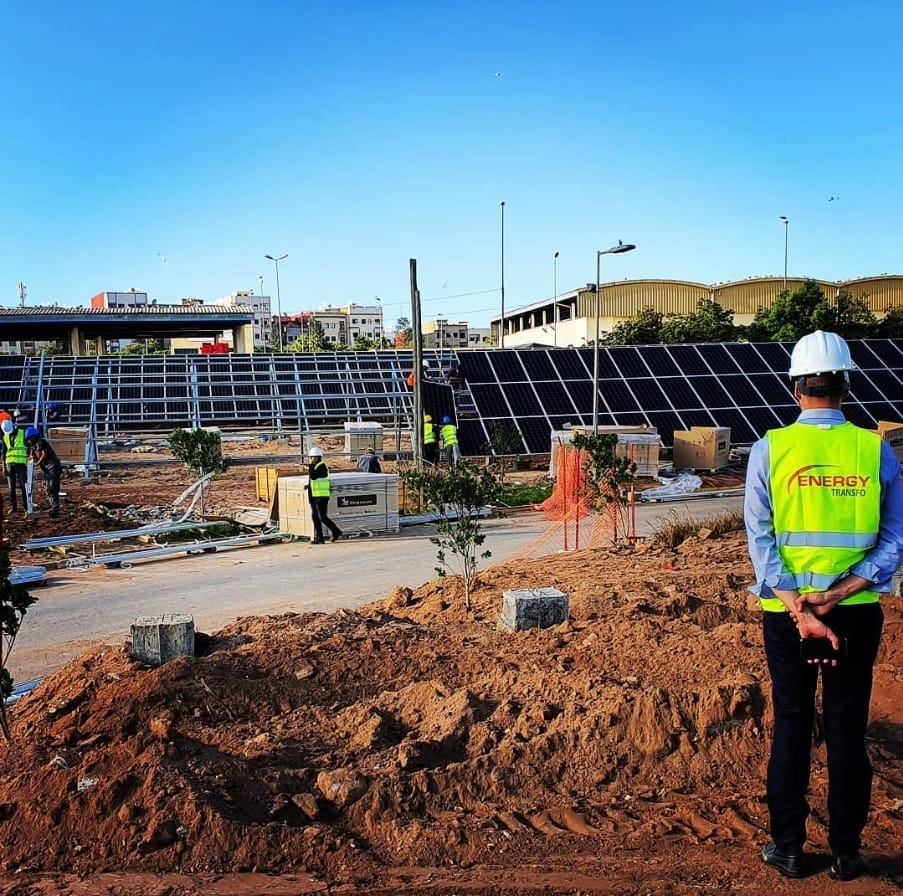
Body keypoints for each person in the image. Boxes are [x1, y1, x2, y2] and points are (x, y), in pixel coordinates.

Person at [744, 330, 903, 883]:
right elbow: (893, 539)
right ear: (846, 384)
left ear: (795, 386)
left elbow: (761, 541)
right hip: (855, 612)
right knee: (846, 726)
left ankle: (787, 848)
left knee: (791, 724)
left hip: (786, 618)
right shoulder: (873, 448)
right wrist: (836, 595)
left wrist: (800, 606)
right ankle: (847, 851)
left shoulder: (770, 449)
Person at [306, 446, 342, 544]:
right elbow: (314, 481)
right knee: (315, 517)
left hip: (321, 496)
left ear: (317, 458)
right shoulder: (315, 467)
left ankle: (336, 531)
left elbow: (313, 476)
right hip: (314, 496)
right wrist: (308, 486)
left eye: (311, 457)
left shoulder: (321, 466)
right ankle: (319, 537)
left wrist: (310, 466)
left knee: (322, 517)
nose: (310, 459)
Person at [25, 426, 63, 517]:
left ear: (33, 437)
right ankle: (53, 506)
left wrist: (37, 463)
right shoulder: (33, 446)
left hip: (53, 467)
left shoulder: (41, 442)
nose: (28, 441)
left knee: (52, 488)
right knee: (48, 489)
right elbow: (32, 456)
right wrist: (28, 460)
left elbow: (44, 454)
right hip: (47, 470)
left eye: (29, 439)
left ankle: (55, 508)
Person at [1, 417, 29, 513]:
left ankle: (26, 506)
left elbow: (28, 446)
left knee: (23, 485)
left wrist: (30, 457)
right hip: (9, 464)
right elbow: (4, 453)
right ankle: (13, 507)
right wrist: (3, 466)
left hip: (20, 463)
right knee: (11, 487)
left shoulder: (22, 433)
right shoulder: (5, 436)